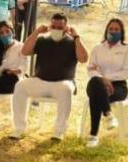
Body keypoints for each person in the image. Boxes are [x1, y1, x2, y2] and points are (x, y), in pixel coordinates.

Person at [12, 13, 87, 141]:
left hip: (62, 83)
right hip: (40, 81)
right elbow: (24, 51)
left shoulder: (72, 42)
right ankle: (19, 128)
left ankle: (59, 131)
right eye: (54, 26)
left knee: (67, 90)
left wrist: (76, 37)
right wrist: (36, 32)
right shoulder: (42, 40)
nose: (56, 29)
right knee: (20, 86)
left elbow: (84, 59)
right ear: (49, 25)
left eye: (60, 27)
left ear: (66, 27)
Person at [84, 17, 128, 148]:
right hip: (96, 83)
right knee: (96, 84)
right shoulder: (97, 48)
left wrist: (108, 78)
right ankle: (108, 114)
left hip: (118, 86)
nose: (113, 31)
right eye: (111, 29)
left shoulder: (127, 49)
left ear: (122, 31)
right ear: (106, 30)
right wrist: (102, 79)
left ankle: (93, 135)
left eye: (117, 29)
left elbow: (127, 72)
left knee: (96, 95)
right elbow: (90, 69)